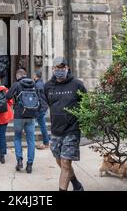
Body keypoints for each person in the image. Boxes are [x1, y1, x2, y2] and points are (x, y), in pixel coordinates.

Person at [44, 57, 86, 191]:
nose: (60, 70)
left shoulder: (77, 84)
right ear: (53, 69)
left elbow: (86, 103)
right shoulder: (48, 86)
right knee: (60, 161)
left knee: (66, 163)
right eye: (58, 68)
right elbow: (50, 104)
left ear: (67, 68)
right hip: (56, 131)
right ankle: (76, 184)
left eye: (63, 68)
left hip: (71, 130)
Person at [5, 68, 39, 174]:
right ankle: (29, 165)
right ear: (26, 74)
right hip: (31, 115)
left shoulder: (17, 84)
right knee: (31, 140)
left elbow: (8, 96)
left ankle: (19, 161)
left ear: (18, 76)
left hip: (19, 115)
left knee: (17, 138)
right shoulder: (34, 84)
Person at [33, 70, 50, 149]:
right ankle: (46, 142)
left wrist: (37, 108)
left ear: (36, 76)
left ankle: (45, 142)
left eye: (34, 75)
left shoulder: (37, 85)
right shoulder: (44, 84)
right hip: (44, 107)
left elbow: (38, 98)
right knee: (42, 125)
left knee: (35, 125)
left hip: (39, 108)